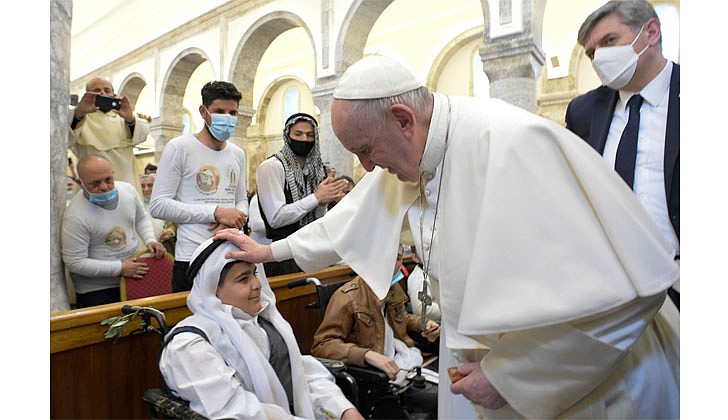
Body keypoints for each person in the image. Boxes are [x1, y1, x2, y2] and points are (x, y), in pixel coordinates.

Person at [215, 54, 679, 419]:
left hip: (588, 385)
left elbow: (624, 300)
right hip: (481, 365)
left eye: (365, 150)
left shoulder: (514, 144)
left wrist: (510, 377)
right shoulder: (412, 151)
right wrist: (268, 249)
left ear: (402, 119)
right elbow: (348, 221)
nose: (367, 168)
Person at [158, 237, 363, 419]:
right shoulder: (190, 346)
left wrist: (343, 410)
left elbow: (302, 376)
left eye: (254, 274)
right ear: (213, 290)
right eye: (243, 279)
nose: (257, 284)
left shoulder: (265, 323)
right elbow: (234, 410)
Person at [565, 0, 679, 311]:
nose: (600, 57)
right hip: (614, 289)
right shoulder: (584, 112)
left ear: (651, 32)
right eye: (592, 53)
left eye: (609, 41)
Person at [150, 81, 249, 292]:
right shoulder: (180, 147)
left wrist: (236, 217)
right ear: (204, 112)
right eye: (220, 111)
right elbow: (158, 205)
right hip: (192, 256)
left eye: (233, 113)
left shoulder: (237, 153)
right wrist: (216, 213)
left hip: (230, 251)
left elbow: (241, 198)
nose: (228, 118)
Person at [311, 244, 440, 378]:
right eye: (387, 257)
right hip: (373, 374)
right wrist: (365, 354)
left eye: (397, 258)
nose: (392, 264)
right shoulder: (347, 297)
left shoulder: (393, 287)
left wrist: (423, 324)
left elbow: (401, 318)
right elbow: (322, 345)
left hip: (404, 358)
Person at [62, 155, 166, 308]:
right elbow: (75, 263)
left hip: (132, 277)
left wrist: (150, 239)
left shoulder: (128, 190)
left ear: (113, 173)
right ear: (80, 182)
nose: (104, 187)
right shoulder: (75, 216)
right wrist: (120, 268)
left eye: (108, 179)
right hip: (97, 290)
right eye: (95, 183)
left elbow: (141, 219)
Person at [255, 112, 350, 276]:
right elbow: (276, 218)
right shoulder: (271, 167)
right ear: (287, 135)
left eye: (310, 135)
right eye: (298, 134)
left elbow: (318, 219)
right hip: (282, 255)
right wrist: (316, 198)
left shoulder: (316, 171)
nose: (304, 139)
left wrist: (326, 201)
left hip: (312, 250)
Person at [69, 76, 150, 186]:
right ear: (87, 95)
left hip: (124, 180)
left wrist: (130, 119)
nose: (102, 93)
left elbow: (142, 136)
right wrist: (78, 114)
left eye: (107, 90)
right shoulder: (80, 118)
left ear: (114, 94)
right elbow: (65, 139)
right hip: (92, 184)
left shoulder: (124, 117)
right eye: (97, 90)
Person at [139, 173, 176, 254]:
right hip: (142, 251)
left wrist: (169, 232)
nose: (146, 189)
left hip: (163, 247)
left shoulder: (163, 204)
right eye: (142, 186)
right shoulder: (135, 206)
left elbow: (172, 224)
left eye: (149, 185)